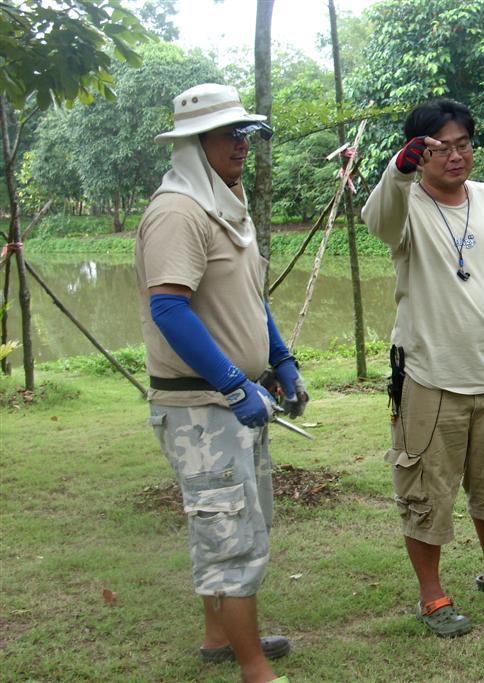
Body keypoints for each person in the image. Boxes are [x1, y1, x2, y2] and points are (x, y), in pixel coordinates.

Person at [135, 83, 306, 683]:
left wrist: (280, 359)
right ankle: (253, 669)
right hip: (203, 406)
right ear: (192, 143)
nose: (241, 144)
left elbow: (249, 296)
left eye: (244, 133)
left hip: (236, 401)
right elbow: (169, 308)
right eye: (227, 134)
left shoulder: (225, 203)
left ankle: (219, 638)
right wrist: (234, 382)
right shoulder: (177, 211)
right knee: (230, 531)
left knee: (235, 519)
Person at [362, 97, 484, 638]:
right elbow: (376, 219)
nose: (456, 156)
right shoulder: (405, 205)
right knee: (426, 489)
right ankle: (432, 596)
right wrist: (396, 170)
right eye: (442, 147)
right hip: (427, 374)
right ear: (418, 153)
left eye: (464, 144)